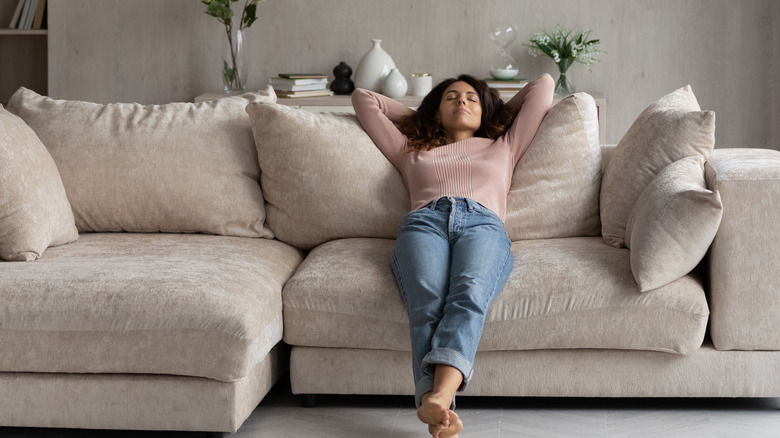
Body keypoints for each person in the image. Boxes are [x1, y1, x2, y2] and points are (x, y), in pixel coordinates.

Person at [352, 73, 554, 438]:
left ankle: (437, 398)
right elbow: (364, 98)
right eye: (451, 98)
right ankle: (439, 406)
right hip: (424, 222)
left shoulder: (504, 145)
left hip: (483, 224)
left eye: (471, 99)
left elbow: (543, 85)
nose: (461, 102)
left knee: (471, 292)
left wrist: (493, 113)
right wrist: (421, 116)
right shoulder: (410, 150)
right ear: (435, 110)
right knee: (427, 300)